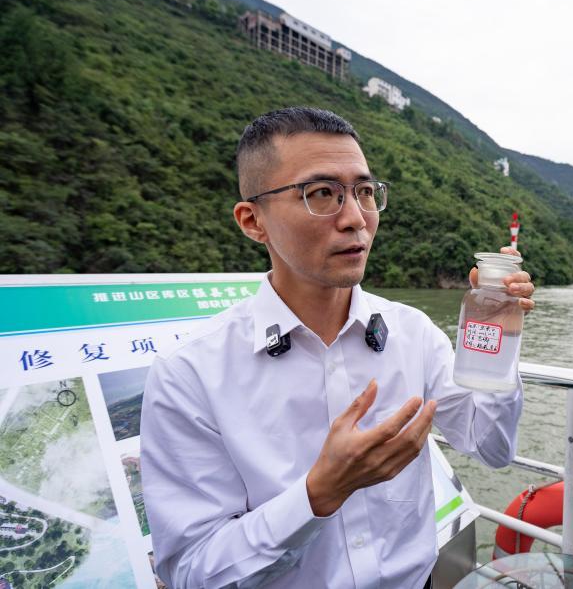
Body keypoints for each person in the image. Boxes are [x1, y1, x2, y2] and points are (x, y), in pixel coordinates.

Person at [140, 107, 535, 589]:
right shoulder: (190, 373)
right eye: (321, 193)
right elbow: (189, 568)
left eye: (365, 192)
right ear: (253, 220)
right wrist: (319, 494)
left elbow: (492, 448)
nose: (355, 219)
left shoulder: (412, 334)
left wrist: (497, 343)